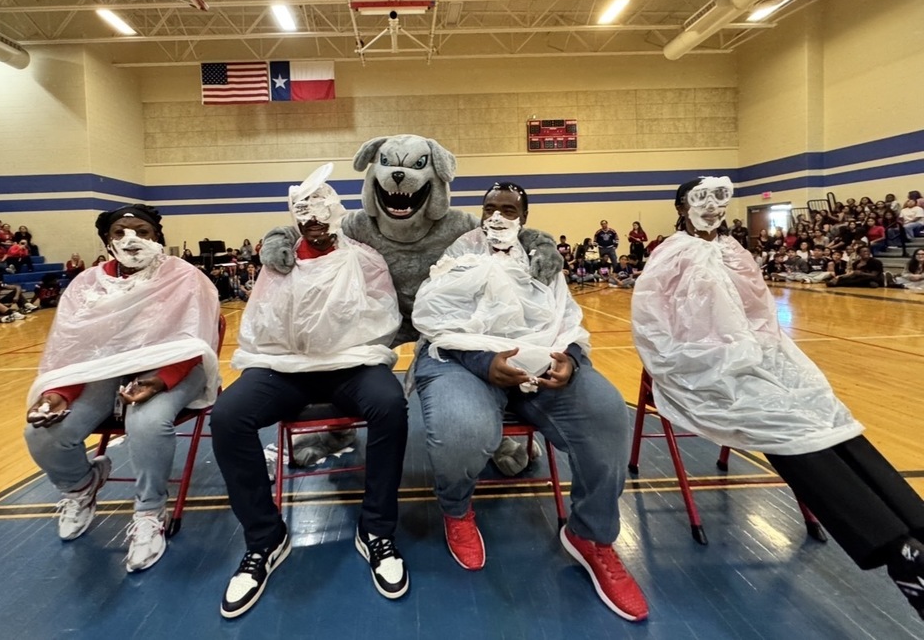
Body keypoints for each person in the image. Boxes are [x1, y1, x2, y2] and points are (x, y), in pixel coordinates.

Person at [631, 176, 924, 622]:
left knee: (823, 408)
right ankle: (897, 552)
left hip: (761, 354)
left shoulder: (735, 251)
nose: (711, 206)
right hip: (698, 367)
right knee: (781, 419)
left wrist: (769, 356)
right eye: (701, 198)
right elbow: (653, 328)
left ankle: (915, 524)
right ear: (681, 206)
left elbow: (761, 313)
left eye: (719, 197)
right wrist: (716, 360)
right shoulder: (669, 255)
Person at [410, 181, 648, 622]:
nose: (497, 215)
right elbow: (434, 319)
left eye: (508, 208)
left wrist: (571, 360)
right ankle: (457, 510)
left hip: (538, 358)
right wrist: (483, 362)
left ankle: (590, 536)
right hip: (461, 360)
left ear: (524, 215)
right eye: (490, 207)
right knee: (462, 429)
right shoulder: (458, 253)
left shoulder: (541, 259)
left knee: (607, 414)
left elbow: (567, 317)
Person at [211, 164, 409, 618]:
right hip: (286, 369)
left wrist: (337, 337)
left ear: (338, 211)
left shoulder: (364, 258)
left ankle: (376, 530)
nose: (313, 218)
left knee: (389, 405)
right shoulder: (278, 261)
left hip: (350, 366)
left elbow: (382, 318)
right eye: (303, 211)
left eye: (321, 207)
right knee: (228, 417)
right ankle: (265, 538)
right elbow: (261, 321)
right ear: (293, 217)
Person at [23, 204, 221, 573]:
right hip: (104, 371)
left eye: (142, 232)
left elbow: (197, 339)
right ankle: (81, 485)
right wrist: (58, 394)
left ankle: (149, 512)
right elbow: (74, 348)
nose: (131, 239)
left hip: (174, 367)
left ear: (157, 237)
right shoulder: (86, 285)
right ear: (106, 240)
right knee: (43, 431)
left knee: (146, 423)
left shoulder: (186, 277)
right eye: (120, 232)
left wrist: (162, 379)